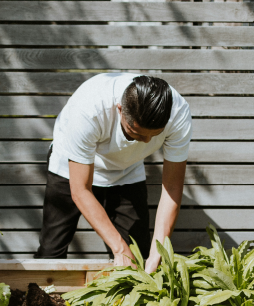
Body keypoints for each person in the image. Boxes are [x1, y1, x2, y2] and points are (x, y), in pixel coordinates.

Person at [41, 73, 192, 268]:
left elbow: (171, 186)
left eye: (154, 136)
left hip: (127, 169)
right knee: (51, 252)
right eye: (136, 133)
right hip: (69, 167)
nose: (147, 142)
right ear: (120, 110)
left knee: (138, 254)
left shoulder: (178, 113)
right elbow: (80, 190)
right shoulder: (89, 110)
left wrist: (157, 252)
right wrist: (119, 248)